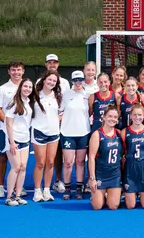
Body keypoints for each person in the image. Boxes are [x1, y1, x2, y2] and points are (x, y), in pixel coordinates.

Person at [4, 78, 44, 206]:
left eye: (30, 87)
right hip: (13, 139)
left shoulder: (29, 102)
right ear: (20, 87)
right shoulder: (13, 102)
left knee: (23, 167)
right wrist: (12, 142)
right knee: (15, 167)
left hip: (25, 139)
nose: (27, 89)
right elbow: (8, 123)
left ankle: (18, 195)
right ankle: (9, 197)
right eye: (25, 86)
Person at [0, 61, 25, 198]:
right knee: (3, 158)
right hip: (6, 130)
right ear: (9, 72)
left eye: (18, 70)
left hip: (23, 131)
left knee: (21, 161)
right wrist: (8, 124)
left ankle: (18, 187)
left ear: (23, 71)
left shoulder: (29, 87)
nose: (16, 72)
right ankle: (0, 187)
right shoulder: (2, 89)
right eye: (13, 70)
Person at [59, 71, 91, 200]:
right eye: (75, 80)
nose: (78, 82)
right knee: (68, 162)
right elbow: (59, 112)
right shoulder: (65, 95)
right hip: (67, 133)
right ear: (72, 81)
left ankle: (79, 188)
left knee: (80, 162)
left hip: (83, 132)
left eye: (80, 79)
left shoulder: (88, 94)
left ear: (84, 80)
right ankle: (67, 188)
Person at [32, 70, 62, 202]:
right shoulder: (35, 95)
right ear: (44, 80)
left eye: (54, 81)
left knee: (50, 163)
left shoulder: (58, 96)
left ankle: (47, 190)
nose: (51, 82)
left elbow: (62, 112)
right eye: (49, 80)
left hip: (54, 133)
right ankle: (37, 191)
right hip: (38, 131)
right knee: (40, 163)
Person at [44, 54, 70, 194]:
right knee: (43, 155)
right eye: (50, 62)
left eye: (55, 62)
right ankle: (43, 183)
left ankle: (58, 180)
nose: (52, 64)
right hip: (44, 123)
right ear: (46, 64)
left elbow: (67, 102)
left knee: (59, 152)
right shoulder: (39, 82)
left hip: (61, 122)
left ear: (58, 64)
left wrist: (62, 117)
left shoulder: (65, 82)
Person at [88, 105, 123, 210]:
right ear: (104, 117)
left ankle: (110, 195)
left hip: (114, 175)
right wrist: (92, 179)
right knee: (97, 206)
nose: (112, 119)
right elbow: (91, 157)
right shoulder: (97, 134)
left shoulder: (119, 134)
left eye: (115, 117)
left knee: (113, 206)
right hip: (101, 175)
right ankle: (97, 196)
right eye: (110, 116)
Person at [121, 103, 144, 209]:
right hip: (130, 168)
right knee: (130, 206)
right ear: (130, 116)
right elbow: (123, 151)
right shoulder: (125, 131)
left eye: (140, 115)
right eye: (134, 115)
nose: (137, 117)